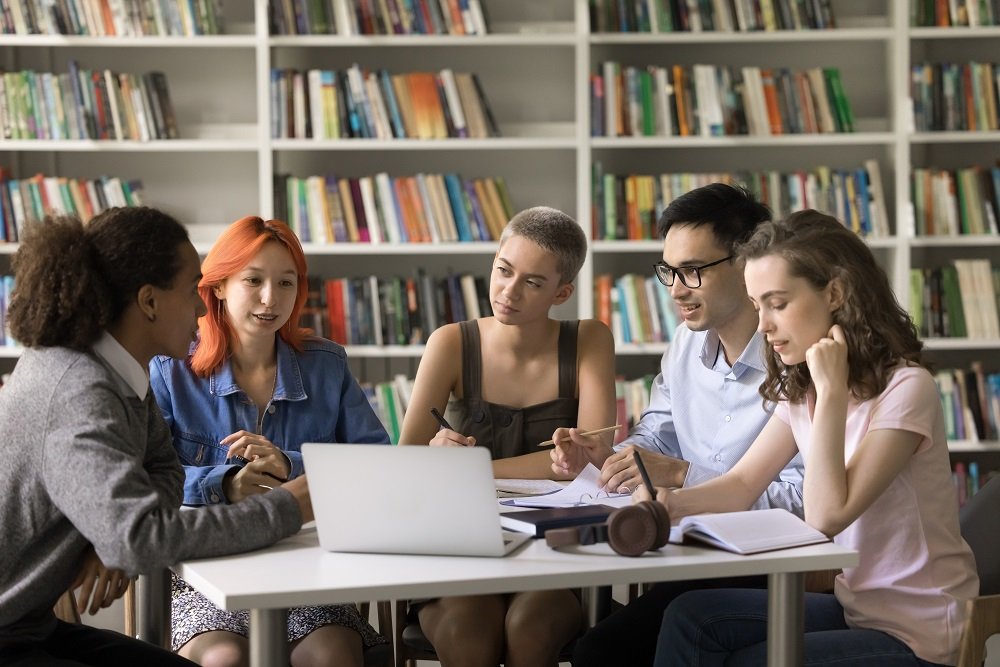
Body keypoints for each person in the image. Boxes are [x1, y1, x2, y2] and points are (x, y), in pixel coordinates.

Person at [645, 210, 979, 666]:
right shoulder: (801, 388)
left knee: (752, 661)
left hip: (921, 633)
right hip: (858, 609)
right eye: (757, 304)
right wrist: (668, 505)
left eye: (777, 303)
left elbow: (825, 516)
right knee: (690, 617)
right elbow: (743, 484)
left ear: (835, 293)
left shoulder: (906, 390)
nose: (762, 324)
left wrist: (832, 391)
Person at [0, 208, 312, 667]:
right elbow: (141, 540)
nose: (204, 307)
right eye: (191, 291)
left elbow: (162, 467)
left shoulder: (122, 370)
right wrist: (288, 507)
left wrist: (105, 531)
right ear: (148, 302)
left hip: (30, 626)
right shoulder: (78, 390)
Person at [559, 183, 805, 667]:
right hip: (681, 548)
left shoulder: (795, 359)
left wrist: (679, 475)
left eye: (692, 271)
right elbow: (656, 434)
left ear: (747, 262)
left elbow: (800, 504)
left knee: (597, 650)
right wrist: (608, 458)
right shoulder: (685, 344)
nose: (675, 289)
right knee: (582, 625)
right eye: (668, 271)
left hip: (765, 563)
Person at [149, 215, 390, 667]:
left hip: (309, 572)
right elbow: (145, 480)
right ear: (218, 286)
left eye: (286, 283)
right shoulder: (169, 368)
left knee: (334, 655)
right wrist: (225, 484)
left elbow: (377, 466)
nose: (270, 299)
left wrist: (290, 464)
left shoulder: (327, 364)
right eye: (253, 281)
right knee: (223, 658)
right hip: (204, 571)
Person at [396, 206, 618, 666]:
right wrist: (435, 455)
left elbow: (594, 457)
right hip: (459, 549)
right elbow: (406, 463)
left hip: (554, 555)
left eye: (532, 283)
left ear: (563, 291)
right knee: (467, 631)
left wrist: (470, 472)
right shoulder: (451, 342)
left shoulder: (589, 340)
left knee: (528, 628)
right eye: (503, 271)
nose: (508, 292)